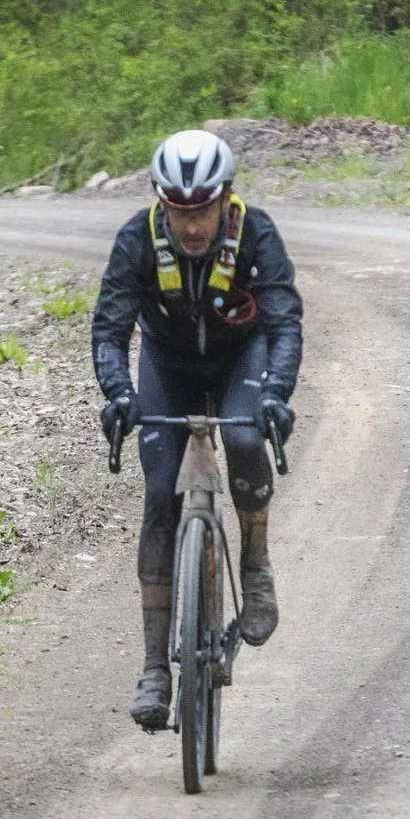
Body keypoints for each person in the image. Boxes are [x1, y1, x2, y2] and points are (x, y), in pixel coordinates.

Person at [92, 128, 303, 729]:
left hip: (241, 359)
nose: (191, 226)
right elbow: (110, 330)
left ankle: (256, 563)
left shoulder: (256, 233)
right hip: (168, 366)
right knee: (160, 495)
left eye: (203, 210)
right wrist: (119, 394)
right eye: (179, 211)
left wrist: (276, 395)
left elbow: (285, 323)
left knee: (242, 436)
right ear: (162, 203)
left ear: (225, 199)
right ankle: (155, 668)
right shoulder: (136, 239)